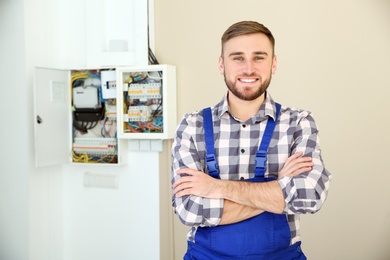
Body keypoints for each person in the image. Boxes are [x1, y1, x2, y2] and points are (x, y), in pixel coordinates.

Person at [171, 21, 331, 259]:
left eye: (259, 57)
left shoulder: (299, 122)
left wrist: (216, 188)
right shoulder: (192, 125)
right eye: (237, 58)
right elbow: (190, 210)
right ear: (221, 64)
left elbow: (309, 197)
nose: (248, 69)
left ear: (273, 63)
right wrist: (280, 185)